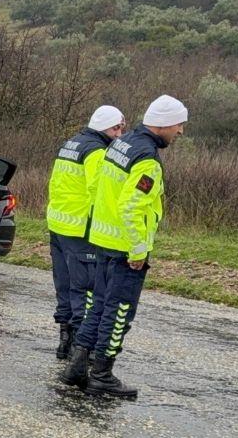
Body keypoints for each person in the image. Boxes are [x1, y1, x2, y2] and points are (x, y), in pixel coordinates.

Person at [63, 95, 188, 397]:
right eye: (179, 125)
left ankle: (78, 366)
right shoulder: (146, 158)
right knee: (118, 313)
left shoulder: (123, 142)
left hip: (104, 239)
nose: (181, 131)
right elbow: (132, 207)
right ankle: (102, 374)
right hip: (124, 247)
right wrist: (138, 251)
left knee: (98, 307)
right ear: (163, 123)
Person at [46, 105, 125, 360]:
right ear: (103, 127)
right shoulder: (96, 152)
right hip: (80, 228)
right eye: (116, 128)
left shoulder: (70, 144)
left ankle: (64, 341)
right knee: (85, 289)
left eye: (121, 128)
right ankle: (82, 348)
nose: (119, 134)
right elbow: (97, 192)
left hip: (58, 224)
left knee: (64, 285)